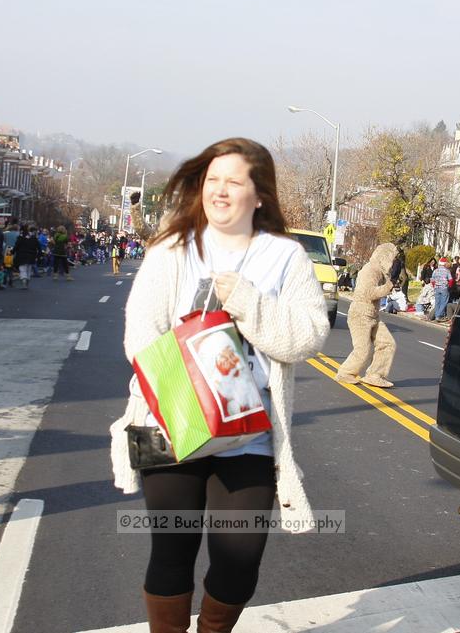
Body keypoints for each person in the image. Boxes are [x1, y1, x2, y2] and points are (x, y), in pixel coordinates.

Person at [109, 137, 329, 632]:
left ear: (259, 194)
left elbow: (310, 335)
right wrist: (188, 381)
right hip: (168, 419)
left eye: (234, 181)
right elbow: (139, 333)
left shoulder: (285, 258)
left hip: (249, 430)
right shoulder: (171, 250)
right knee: (171, 550)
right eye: (213, 180)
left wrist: (249, 302)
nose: (220, 191)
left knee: (239, 561)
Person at [334, 243, 398, 388]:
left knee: (387, 343)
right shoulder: (370, 271)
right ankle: (345, 373)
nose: (393, 262)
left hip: (373, 315)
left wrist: (390, 284)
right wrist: (387, 288)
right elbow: (368, 293)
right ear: (385, 257)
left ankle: (375, 375)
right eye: (392, 258)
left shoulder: (380, 272)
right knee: (362, 349)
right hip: (360, 314)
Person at [13, 224, 39, 289]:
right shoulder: (33, 237)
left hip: (22, 255)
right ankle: (27, 280)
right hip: (31, 255)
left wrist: (12, 252)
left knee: (22, 269)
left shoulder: (20, 237)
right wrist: (39, 254)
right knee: (28, 269)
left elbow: (16, 246)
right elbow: (38, 246)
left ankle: (24, 280)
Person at [431, 256, 453, 321]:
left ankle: (437, 315)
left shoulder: (435, 270)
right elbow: (451, 280)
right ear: (445, 263)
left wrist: (434, 286)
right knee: (444, 302)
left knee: (437, 302)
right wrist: (449, 286)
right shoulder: (447, 271)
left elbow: (432, 280)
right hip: (444, 288)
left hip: (436, 288)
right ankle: (439, 315)